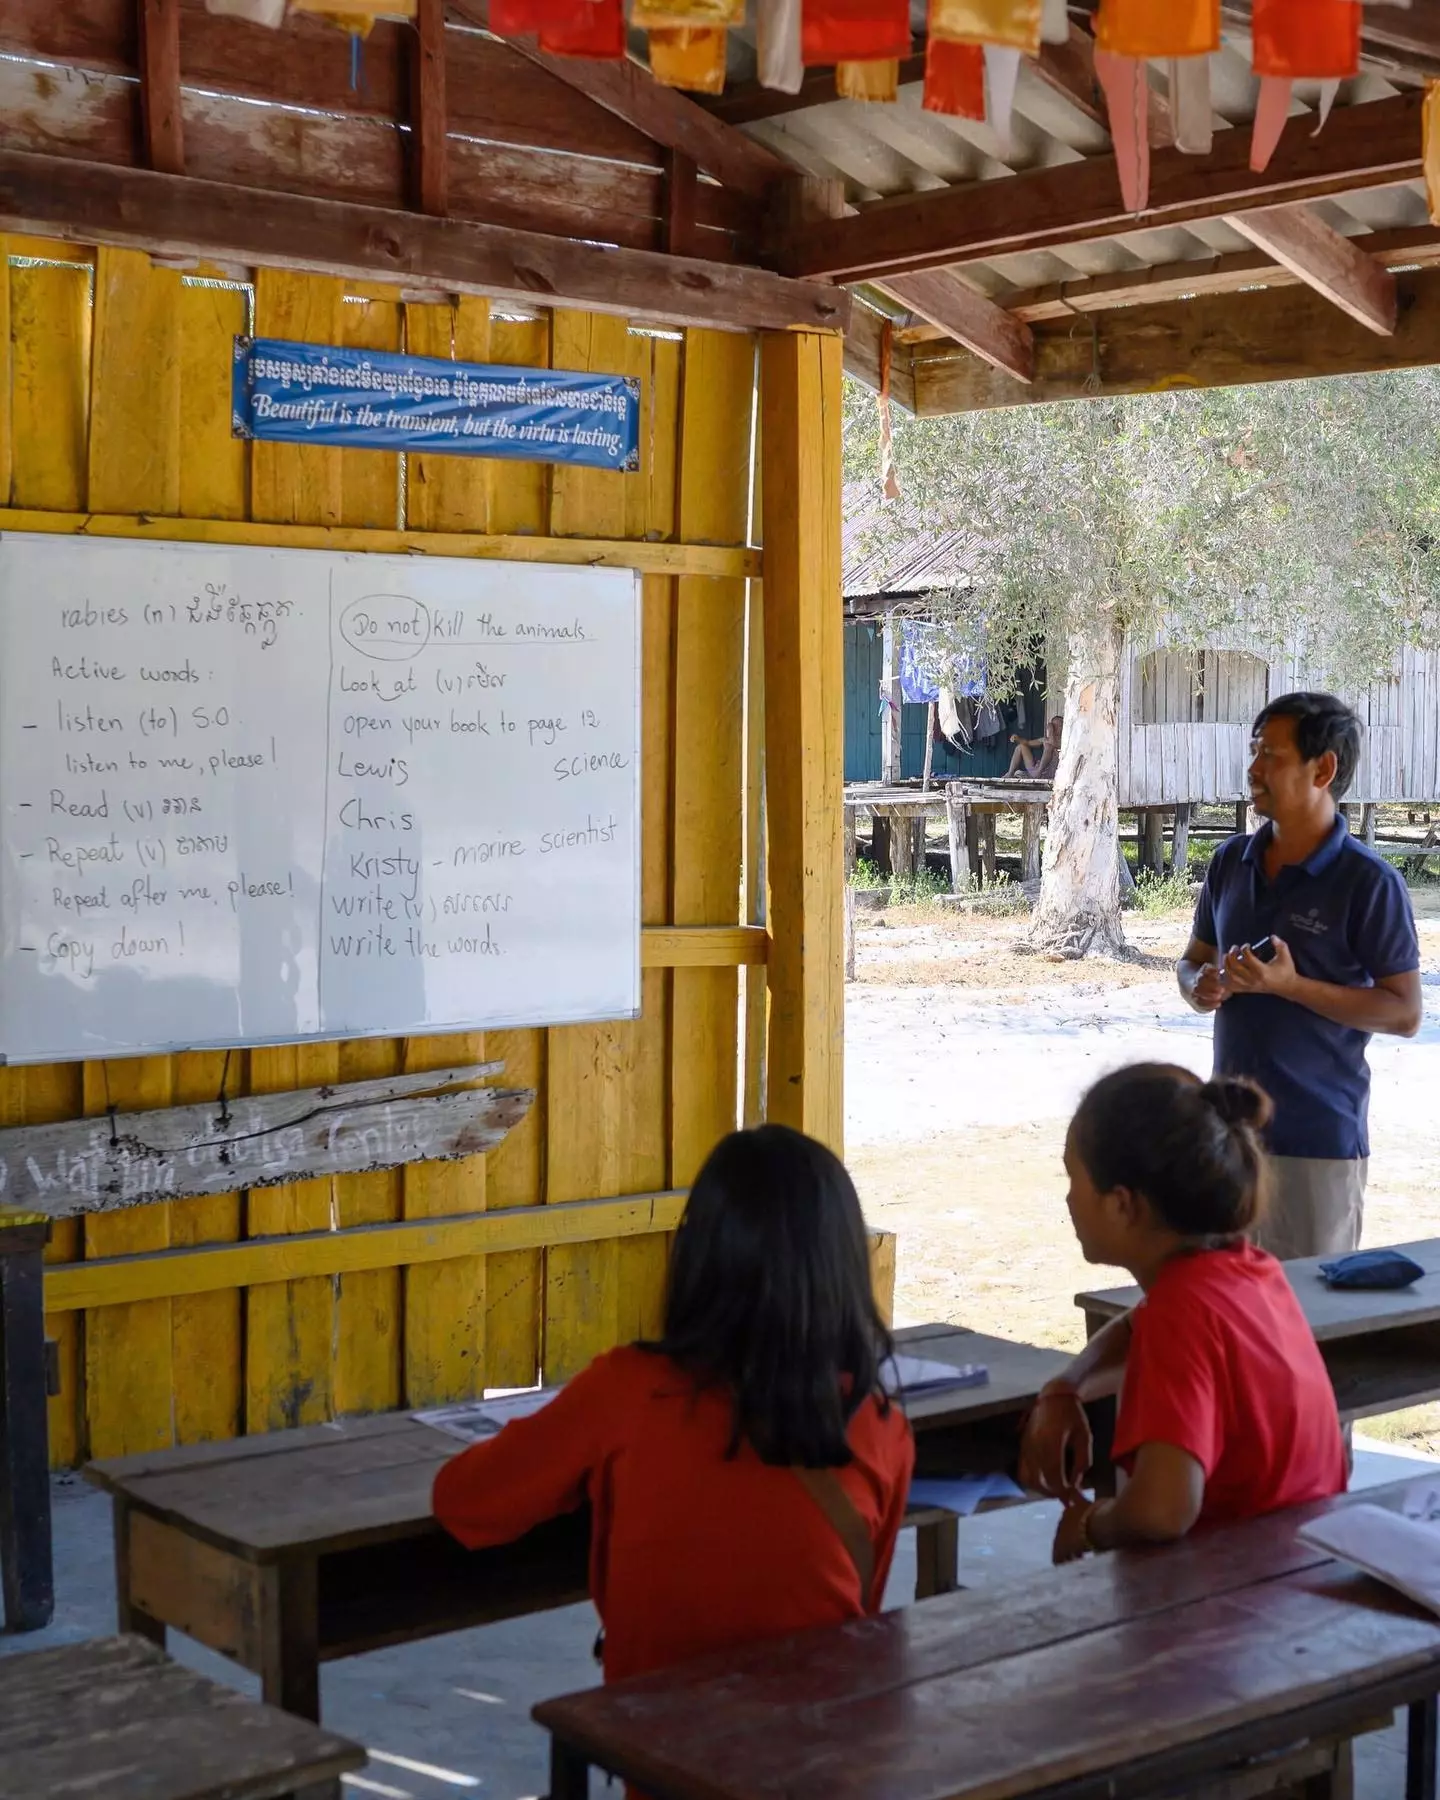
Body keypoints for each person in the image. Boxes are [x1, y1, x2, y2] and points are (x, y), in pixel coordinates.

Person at [433, 1124, 914, 1690]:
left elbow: (464, 1503)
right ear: (843, 1267)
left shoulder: (629, 1391)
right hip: (821, 1751)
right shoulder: (882, 1427)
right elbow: (860, 1600)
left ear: (697, 1255)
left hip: (659, 1752)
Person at [1019, 1064, 1345, 1565]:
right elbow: (1139, 1321)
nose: (1067, 1198)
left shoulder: (1180, 1314)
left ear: (1123, 1204)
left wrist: (1086, 1525)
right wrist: (1067, 1385)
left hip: (1245, 1600)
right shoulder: (1246, 1271)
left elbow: (1161, 1510)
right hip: (1308, 1561)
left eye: (1073, 1177)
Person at [1177, 692, 1422, 1261]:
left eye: (1272, 755)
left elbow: (1405, 1013)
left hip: (1317, 1143)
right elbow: (1191, 961)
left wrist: (1291, 986)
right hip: (1228, 1140)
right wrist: (1200, 985)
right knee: (1226, 1316)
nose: (1254, 768)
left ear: (1324, 768)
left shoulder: (1369, 883)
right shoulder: (1228, 862)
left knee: (1309, 1324)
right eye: (1254, 751)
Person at [1006, 713, 1062, 779]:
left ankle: (1038, 772)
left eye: (1058, 725)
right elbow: (1028, 743)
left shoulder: (1065, 741)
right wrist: (1018, 739)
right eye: (1054, 725)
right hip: (1036, 771)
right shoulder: (1046, 739)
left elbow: (1053, 743)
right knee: (1021, 746)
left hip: (1050, 773)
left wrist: (1050, 731)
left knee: (1048, 745)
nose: (1055, 728)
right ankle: (1010, 773)